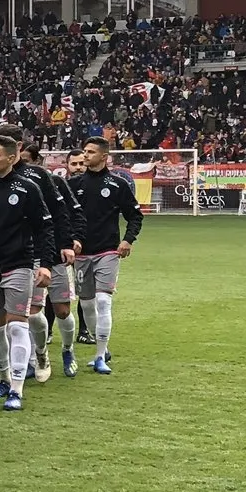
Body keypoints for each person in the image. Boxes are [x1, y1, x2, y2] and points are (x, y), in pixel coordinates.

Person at [0, 133, 58, 412]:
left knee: (17, 324)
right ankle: (3, 379)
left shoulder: (27, 188)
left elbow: (44, 227)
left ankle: (17, 389)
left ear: (12, 158)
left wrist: (46, 263)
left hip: (19, 265)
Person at [64, 138, 141, 374]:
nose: (85, 156)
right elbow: (65, 217)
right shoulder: (74, 185)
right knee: (87, 305)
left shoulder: (117, 184)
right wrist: (70, 241)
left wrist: (127, 240)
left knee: (103, 301)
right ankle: (103, 347)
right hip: (81, 253)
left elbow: (135, 215)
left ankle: (99, 357)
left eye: (90, 152)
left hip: (108, 250)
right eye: (84, 152)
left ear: (104, 156)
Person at [18, 143, 80, 383]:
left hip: (53, 252)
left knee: (63, 310)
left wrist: (66, 242)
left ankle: (67, 350)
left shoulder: (42, 177)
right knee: (32, 313)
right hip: (29, 255)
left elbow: (61, 212)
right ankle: (39, 356)